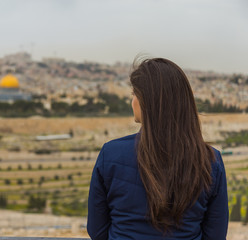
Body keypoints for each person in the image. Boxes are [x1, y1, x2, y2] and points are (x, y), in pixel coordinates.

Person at [87, 58, 228, 240]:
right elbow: (215, 235)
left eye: (134, 94)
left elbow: (97, 231)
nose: (132, 101)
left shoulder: (110, 154)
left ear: (146, 100)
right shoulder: (211, 161)